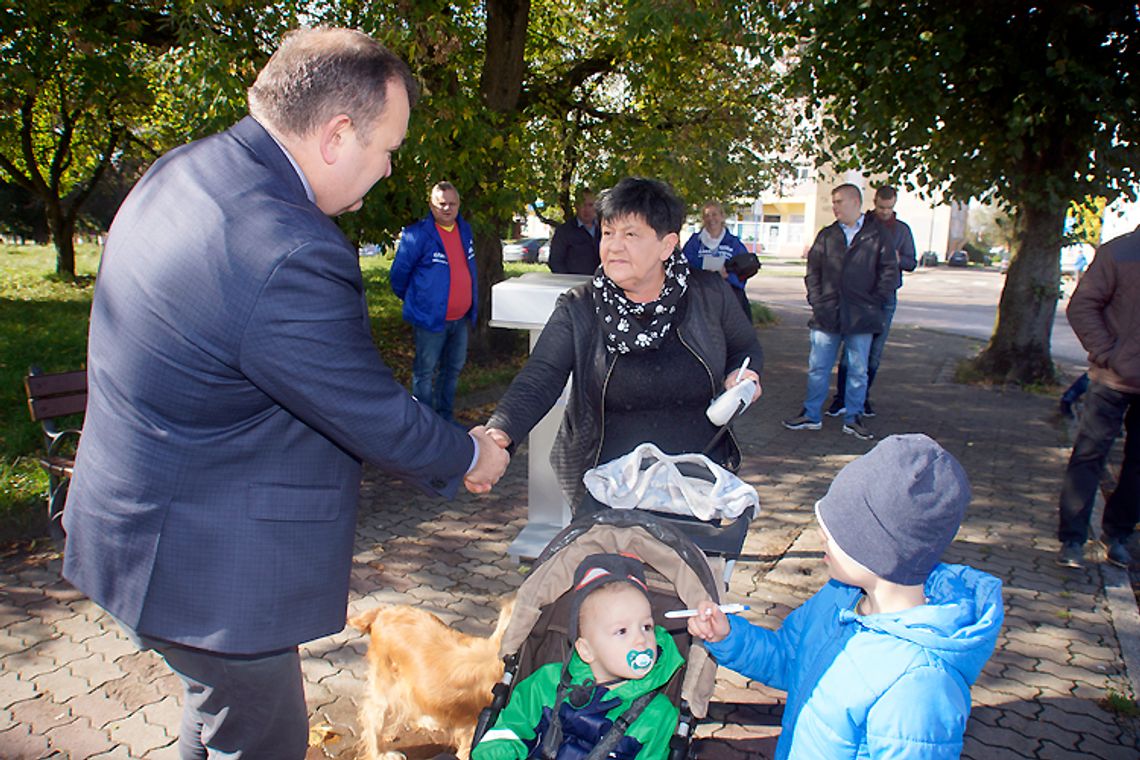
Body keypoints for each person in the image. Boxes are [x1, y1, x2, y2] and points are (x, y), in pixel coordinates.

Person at [61, 28, 509, 760]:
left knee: (213, 715)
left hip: (131, 527)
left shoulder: (187, 170)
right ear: (338, 135)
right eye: (387, 147)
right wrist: (467, 453)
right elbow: (367, 408)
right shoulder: (290, 245)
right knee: (267, 739)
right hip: (205, 570)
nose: (388, 166)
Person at [688, 434, 1003, 759]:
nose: (822, 533)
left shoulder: (919, 686)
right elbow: (788, 660)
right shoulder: (839, 599)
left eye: (839, 528)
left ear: (879, 550)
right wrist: (728, 636)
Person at [485, 177, 764, 512]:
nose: (614, 246)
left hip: (697, 485)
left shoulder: (709, 294)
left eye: (630, 234)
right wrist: (500, 435)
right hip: (606, 487)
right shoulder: (580, 306)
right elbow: (539, 379)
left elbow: (746, 346)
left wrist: (744, 376)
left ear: (667, 245)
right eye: (607, 233)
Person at [473, 553, 683, 760]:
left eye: (647, 627)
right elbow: (508, 731)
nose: (641, 640)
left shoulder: (658, 715)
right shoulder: (544, 685)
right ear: (586, 650)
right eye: (622, 631)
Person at [782, 183, 897, 440]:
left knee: (858, 370)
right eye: (833, 202)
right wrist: (817, 301)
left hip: (862, 316)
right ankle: (811, 415)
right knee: (818, 368)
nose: (834, 207)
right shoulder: (827, 235)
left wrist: (873, 302)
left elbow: (889, 272)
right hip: (827, 315)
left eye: (839, 202)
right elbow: (813, 272)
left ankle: (853, 417)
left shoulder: (877, 235)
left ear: (855, 202)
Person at [1056, 226, 1140, 570]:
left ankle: (1117, 535)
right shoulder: (1119, 252)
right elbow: (1083, 306)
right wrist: (1107, 353)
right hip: (1111, 380)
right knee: (1089, 455)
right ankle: (1072, 539)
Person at [825, 186, 917, 418]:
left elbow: (911, 261)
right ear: (874, 202)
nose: (885, 212)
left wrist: (896, 258)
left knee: (874, 351)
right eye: (881, 207)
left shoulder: (901, 230)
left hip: (885, 299)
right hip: (859, 296)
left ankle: (862, 398)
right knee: (851, 350)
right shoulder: (863, 226)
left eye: (890, 208)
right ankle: (841, 398)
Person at [391, 181, 477, 423]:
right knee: (424, 372)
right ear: (431, 205)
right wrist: (419, 301)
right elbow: (399, 276)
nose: (447, 209)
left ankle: (445, 419)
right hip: (430, 319)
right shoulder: (417, 234)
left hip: (460, 319)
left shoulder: (465, 230)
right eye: (442, 204)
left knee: (452, 371)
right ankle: (425, 424)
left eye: (452, 204)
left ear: (459, 205)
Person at [681, 201, 756, 321]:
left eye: (714, 214)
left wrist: (728, 275)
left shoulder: (733, 243)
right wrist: (704, 273)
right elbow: (684, 265)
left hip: (728, 295)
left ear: (722, 217)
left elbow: (744, 270)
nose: (711, 219)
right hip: (700, 295)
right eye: (707, 216)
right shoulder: (695, 242)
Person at [548, 189, 601, 274]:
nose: (586, 210)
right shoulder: (564, 231)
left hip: (600, 283)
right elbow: (555, 262)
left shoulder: (605, 229)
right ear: (576, 206)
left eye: (590, 205)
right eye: (582, 205)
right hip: (573, 283)